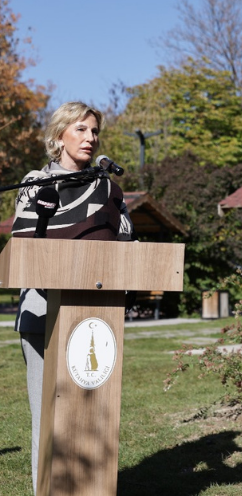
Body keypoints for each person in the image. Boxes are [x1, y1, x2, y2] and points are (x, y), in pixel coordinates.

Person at [12, 101, 134, 494]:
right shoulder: (35, 181)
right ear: (59, 135)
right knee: (47, 419)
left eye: (94, 131)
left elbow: (127, 246)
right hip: (41, 315)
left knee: (91, 417)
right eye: (81, 129)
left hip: (94, 320)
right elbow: (22, 246)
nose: (90, 138)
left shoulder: (108, 188)